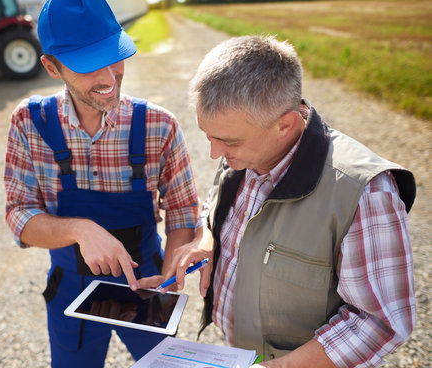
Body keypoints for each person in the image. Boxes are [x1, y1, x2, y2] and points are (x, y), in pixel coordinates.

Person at [168, 35, 416, 367]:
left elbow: (379, 322)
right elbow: (221, 207)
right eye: (207, 136)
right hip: (242, 352)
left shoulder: (363, 193)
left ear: (284, 125)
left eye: (227, 141)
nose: (215, 153)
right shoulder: (245, 149)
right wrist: (208, 237)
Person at [3, 0, 199, 366]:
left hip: (146, 281)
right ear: (51, 66)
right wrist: (80, 230)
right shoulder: (29, 124)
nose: (110, 78)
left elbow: (183, 210)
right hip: (69, 287)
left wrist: (172, 270)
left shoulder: (160, 126)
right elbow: (19, 217)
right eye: (89, 65)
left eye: (114, 56)